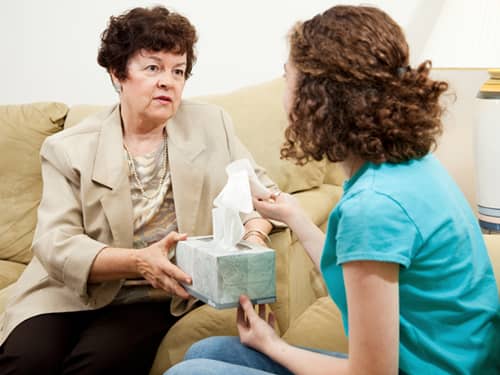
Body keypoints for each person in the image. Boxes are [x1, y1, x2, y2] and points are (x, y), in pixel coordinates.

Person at [165, 5, 500, 375]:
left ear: (315, 98)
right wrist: (295, 217)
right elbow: (361, 283)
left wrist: (273, 345)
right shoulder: (409, 168)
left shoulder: (373, 207)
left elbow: (371, 373)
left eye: (286, 76)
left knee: (187, 372)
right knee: (206, 350)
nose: (283, 90)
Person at [0, 6, 278, 374]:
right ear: (118, 74)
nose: (168, 81)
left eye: (178, 71)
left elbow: (262, 195)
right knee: (25, 361)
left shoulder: (212, 125)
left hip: (153, 295)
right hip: (70, 291)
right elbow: (56, 243)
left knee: (96, 364)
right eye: (153, 68)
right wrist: (138, 260)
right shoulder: (68, 147)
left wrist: (255, 234)